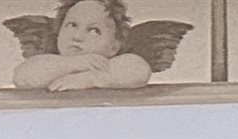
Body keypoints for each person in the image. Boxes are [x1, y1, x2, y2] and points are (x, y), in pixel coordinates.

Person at [10, 0, 184, 89]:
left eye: (94, 30)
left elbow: (138, 70)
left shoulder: (116, 64)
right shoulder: (48, 62)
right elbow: (23, 77)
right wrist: (72, 64)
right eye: (71, 25)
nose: (77, 36)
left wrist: (91, 79)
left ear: (114, 46)